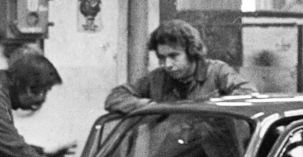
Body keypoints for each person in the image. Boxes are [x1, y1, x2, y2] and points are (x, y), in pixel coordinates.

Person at [106, 20, 255, 113]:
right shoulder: (157, 79)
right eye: (162, 57)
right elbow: (116, 97)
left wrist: (211, 107)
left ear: (191, 51)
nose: (167, 65)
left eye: (174, 56)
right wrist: (149, 106)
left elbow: (249, 93)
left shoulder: (217, 72)